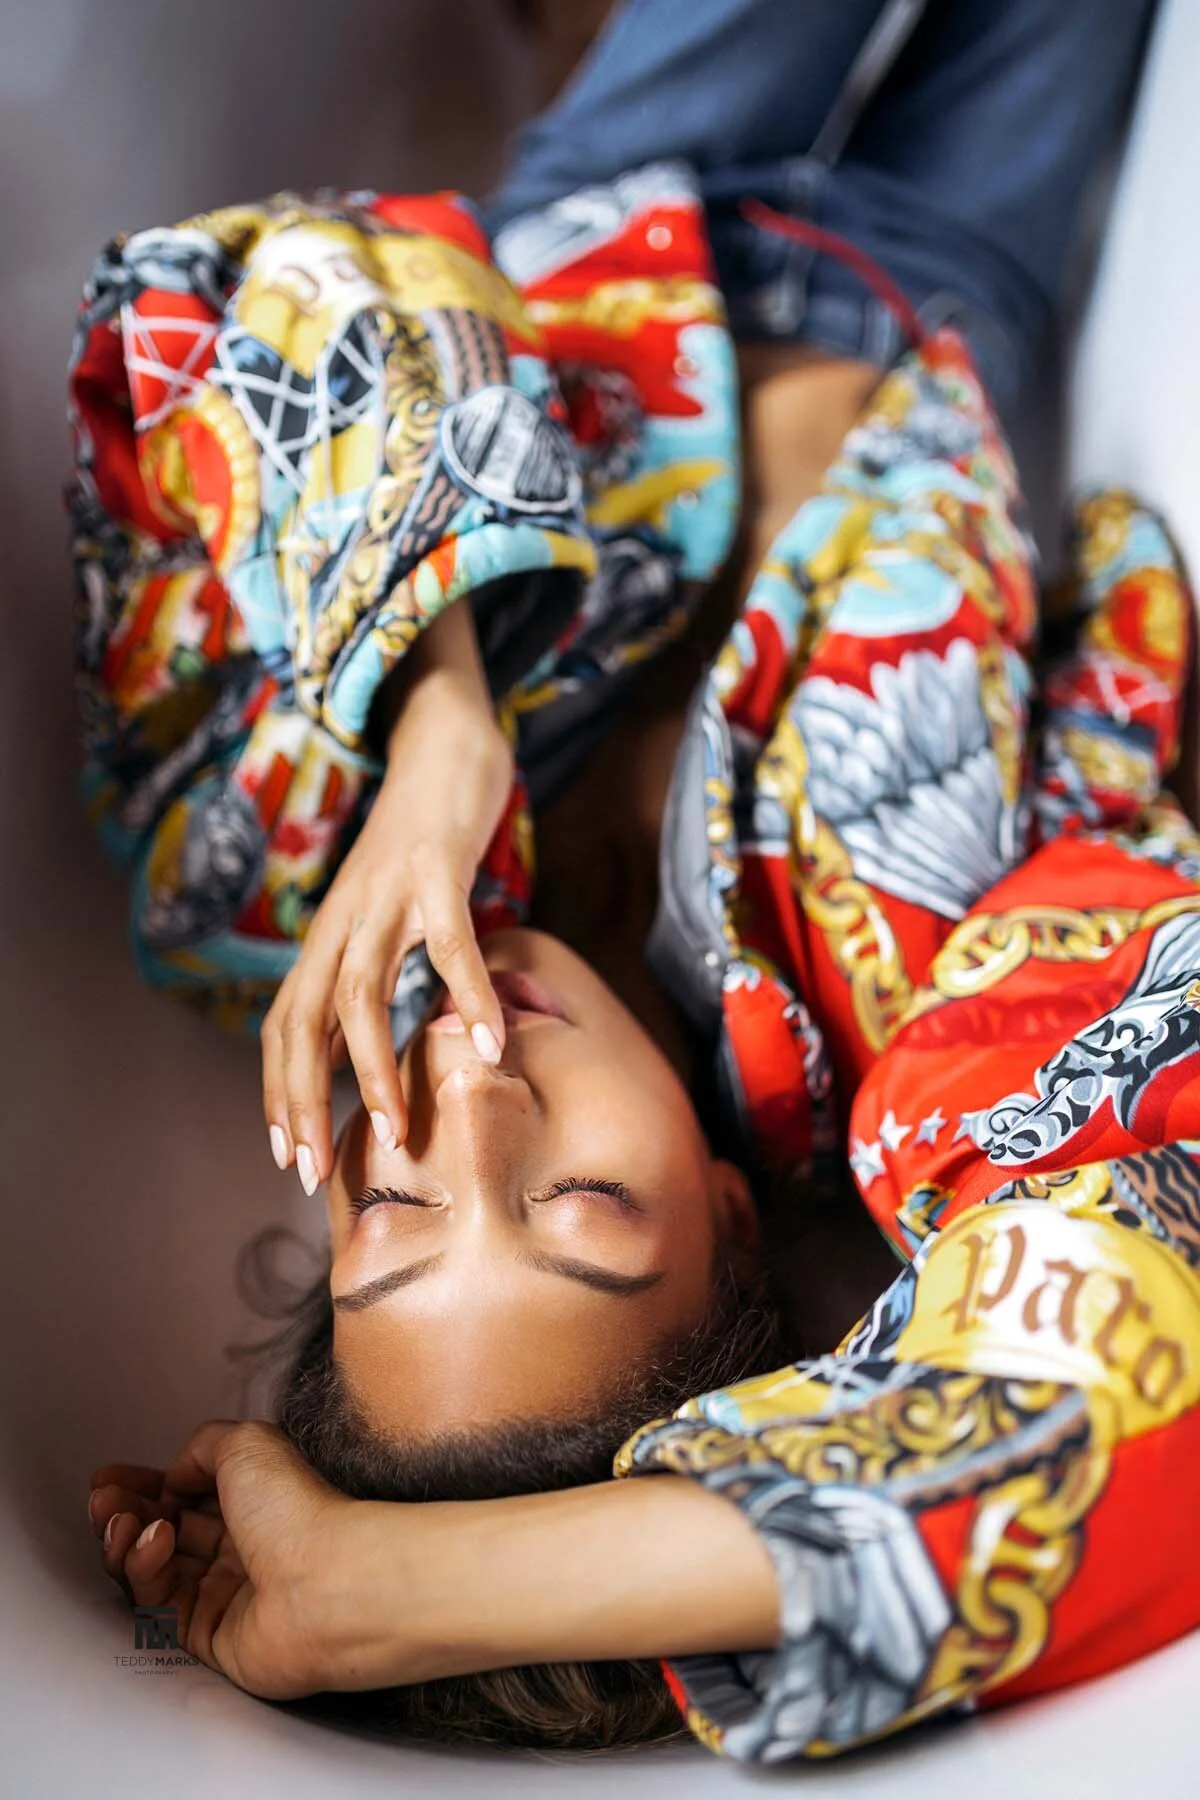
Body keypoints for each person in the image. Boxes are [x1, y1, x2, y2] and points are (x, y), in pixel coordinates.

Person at [76, 0, 1200, 1765]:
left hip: (620, 222)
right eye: (586, 1202)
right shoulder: (922, 1028)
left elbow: (225, 290)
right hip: (939, 293)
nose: (480, 1095)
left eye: (396, 1208)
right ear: (732, 1220)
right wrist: (375, 1592)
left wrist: (433, 715)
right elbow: (1116, 1406)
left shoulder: (254, 894)